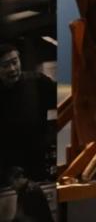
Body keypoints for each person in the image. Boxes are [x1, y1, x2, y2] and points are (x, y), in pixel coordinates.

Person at [0, 45, 55, 183]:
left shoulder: (38, 82)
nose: (12, 68)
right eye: (5, 65)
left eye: (14, 62)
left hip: (37, 162)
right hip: (6, 168)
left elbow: (64, 102)